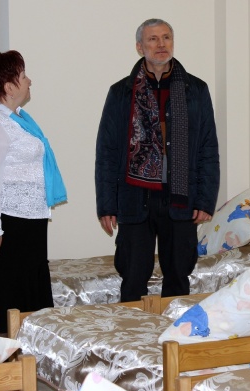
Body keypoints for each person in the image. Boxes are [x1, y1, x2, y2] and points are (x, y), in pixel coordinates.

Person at [95, 18, 220, 302]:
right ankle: (132, 330)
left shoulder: (195, 90)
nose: (161, 44)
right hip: (134, 198)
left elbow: (208, 147)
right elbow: (107, 152)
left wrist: (205, 200)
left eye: (166, 38)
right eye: (153, 39)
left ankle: (175, 331)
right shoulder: (121, 92)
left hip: (180, 198)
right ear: (140, 47)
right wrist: (107, 204)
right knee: (133, 277)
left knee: (178, 276)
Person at [0, 50, 67, 334]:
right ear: (9, 87)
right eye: (23, 76)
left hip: (24, 222)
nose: (29, 81)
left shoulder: (15, 118)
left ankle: (24, 354)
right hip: (3, 223)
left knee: (24, 296)